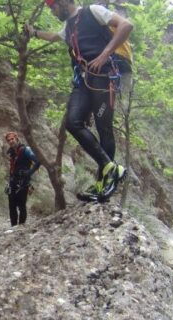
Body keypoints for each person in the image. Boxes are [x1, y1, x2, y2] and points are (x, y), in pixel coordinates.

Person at [26, 0, 132, 202]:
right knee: (72, 122)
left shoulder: (93, 11)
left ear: (65, 2)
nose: (52, 11)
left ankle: (103, 183)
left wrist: (105, 53)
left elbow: (126, 25)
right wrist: (33, 32)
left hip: (104, 75)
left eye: (53, 7)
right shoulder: (68, 26)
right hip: (83, 79)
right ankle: (111, 168)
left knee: (104, 128)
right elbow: (53, 36)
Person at [4, 131, 41, 226]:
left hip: (23, 182)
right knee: (11, 205)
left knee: (21, 206)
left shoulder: (26, 150)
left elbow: (38, 161)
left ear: (16, 138)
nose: (11, 141)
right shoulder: (11, 152)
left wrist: (29, 172)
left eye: (12, 139)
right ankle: (13, 227)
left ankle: (21, 226)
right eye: (9, 140)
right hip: (13, 181)